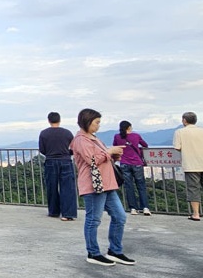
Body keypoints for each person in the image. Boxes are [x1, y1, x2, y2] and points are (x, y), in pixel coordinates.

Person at [70, 108, 134, 266]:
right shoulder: (80, 140)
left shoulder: (93, 138)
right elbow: (91, 160)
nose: (98, 125)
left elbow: (101, 157)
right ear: (87, 121)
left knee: (120, 217)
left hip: (107, 183)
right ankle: (93, 252)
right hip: (94, 185)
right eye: (96, 122)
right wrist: (109, 151)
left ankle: (115, 250)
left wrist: (112, 154)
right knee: (93, 219)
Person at [38, 112, 77, 220]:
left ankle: (54, 211)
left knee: (52, 187)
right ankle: (68, 214)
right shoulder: (67, 133)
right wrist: (66, 153)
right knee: (68, 187)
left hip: (50, 161)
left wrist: (50, 153)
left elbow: (42, 149)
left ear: (49, 120)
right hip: (65, 161)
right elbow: (74, 148)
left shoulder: (44, 133)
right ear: (59, 120)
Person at [112, 120, 151, 216]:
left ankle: (133, 208)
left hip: (124, 163)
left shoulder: (117, 136)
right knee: (141, 186)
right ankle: (145, 207)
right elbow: (145, 145)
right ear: (129, 127)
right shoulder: (136, 136)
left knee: (129, 186)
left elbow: (114, 146)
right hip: (137, 163)